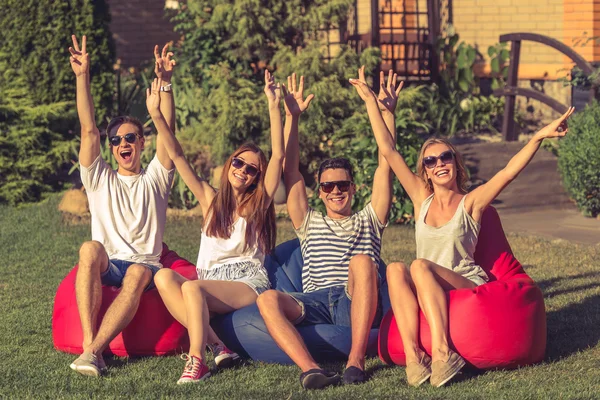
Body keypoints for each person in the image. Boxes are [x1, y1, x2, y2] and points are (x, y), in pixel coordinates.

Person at [351, 72, 575, 387]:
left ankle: (443, 352)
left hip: (464, 284)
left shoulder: (471, 203)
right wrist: (372, 104)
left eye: (446, 157)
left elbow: (508, 172)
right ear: (425, 171)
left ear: (456, 163)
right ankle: (416, 358)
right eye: (431, 160)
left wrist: (538, 136)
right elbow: (388, 151)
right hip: (426, 284)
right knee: (396, 270)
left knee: (417, 266)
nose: (439, 163)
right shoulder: (421, 200)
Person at [256, 69, 401, 389]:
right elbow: (290, 170)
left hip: (354, 300)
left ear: (353, 187)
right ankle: (311, 368)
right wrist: (292, 117)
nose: (336, 191)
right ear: (319, 191)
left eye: (342, 185)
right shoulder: (309, 222)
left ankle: (355, 361)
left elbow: (386, 165)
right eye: (328, 186)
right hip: (314, 302)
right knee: (267, 300)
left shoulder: (370, 219)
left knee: (364, 261)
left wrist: (384, 112)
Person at [150, 70, 284, 384]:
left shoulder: (257, 204)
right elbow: (177, 154)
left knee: (191, 287)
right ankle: (219, 345)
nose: (243, 170)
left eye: (252, 169)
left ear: (255, 178)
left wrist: (274, 105)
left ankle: (197, 360)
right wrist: (156, 115)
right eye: (239, 162)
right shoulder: (209, 198)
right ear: (229, 164)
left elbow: (277, 156)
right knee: (163, 276)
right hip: (210, 282)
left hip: (245, 282)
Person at [68, 37, 177, 376]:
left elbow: (168, 131)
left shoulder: (157, 178)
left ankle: (93, 352)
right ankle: (91, 345)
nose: (123, 144)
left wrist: (165, 83)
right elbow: (88, 131)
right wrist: (82, 77)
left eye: (131, 137)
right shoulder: (100, 178)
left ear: (142, 143)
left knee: (137, 271)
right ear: (111, 147)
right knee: (88, 248)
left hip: (144, 266)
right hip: (109, 263)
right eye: (116, 140)